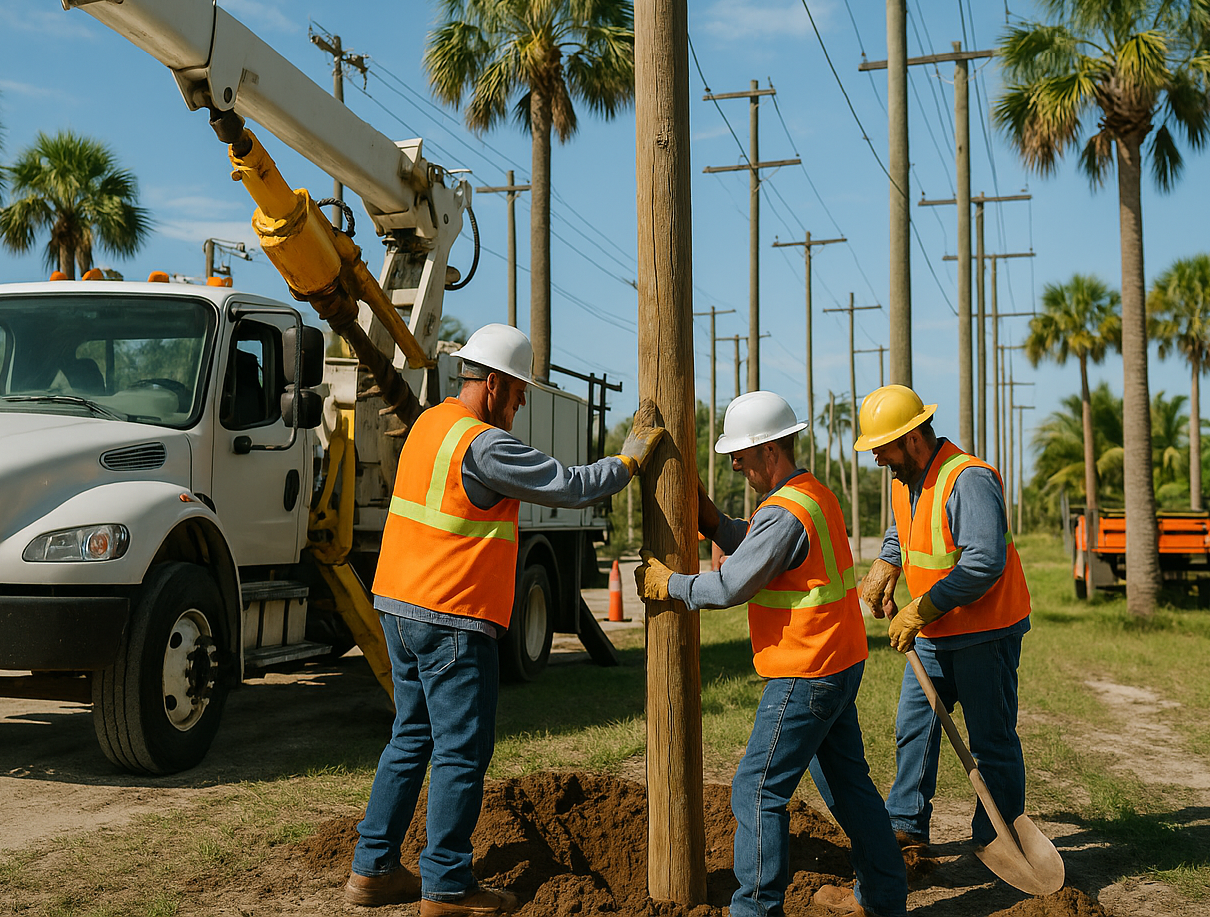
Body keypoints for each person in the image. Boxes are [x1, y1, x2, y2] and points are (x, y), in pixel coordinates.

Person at [346, 323, 666, 917]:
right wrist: (630, 458)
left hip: (398, 604)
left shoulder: (430, 426)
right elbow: (568, 486)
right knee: (461, 749)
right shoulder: (484, 444)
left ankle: (373, 869)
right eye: (519, 393)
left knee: (411, 737)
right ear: (492, 384)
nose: (520, 405)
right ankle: (445, 886)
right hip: (450, 615)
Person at [635, 391, 907, 917]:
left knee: (757, 788)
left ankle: (755, 910)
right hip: (838, 663)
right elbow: (761, 544)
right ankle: (884, 899)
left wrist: (671, 584)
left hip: (807, 672)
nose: (734, 463)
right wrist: (713, 521)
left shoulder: (784, 513)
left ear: (770, 450)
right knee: (851, 790)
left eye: (741, 453)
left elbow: (733, 585)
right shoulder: (809, 495)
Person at [853, 384, 1032, 867]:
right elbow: (903, 528)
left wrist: (918, 610)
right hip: (934, 634)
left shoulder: (968, 479)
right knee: (915, 727)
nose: (878, 460)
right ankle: (906, 826)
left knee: (991, 740)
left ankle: (997, 837)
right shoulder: (902, 478)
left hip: (984, 631)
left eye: (883, 448)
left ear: (913, 438)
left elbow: (982, 564)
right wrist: (887, 564)